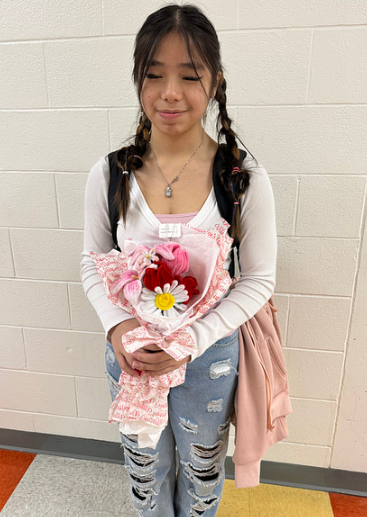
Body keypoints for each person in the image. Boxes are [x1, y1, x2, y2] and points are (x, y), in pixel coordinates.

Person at [81, 4, 277, 516]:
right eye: (154, 75)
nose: (170, 92)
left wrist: (190, 341)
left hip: (208, 360)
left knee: (202, 468)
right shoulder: (111, 174)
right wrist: (119, 328)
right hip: (132, 357)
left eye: (189, 76)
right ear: (138, 81)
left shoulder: (241, 177)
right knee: (145, 470)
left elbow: (257, 280)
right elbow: (93, 262)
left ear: (214, 82)